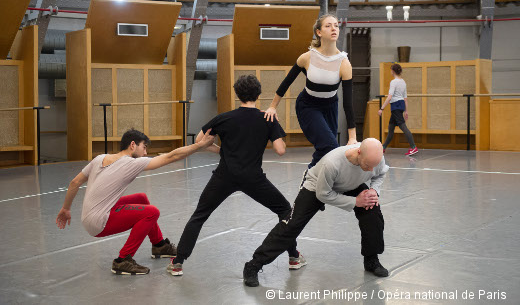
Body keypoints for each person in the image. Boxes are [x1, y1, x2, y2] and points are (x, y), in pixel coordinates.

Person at [167, 75, 305, 276]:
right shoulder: (267, 118)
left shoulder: (224, 118)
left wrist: (222, 151)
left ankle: (178, 262)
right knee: (285, 211)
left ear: (237, 94)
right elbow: (280, 150)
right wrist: (275, 130)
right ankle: (294, 257)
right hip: (254, 179)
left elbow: (200, 141)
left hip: (224, 176)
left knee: (199, 215)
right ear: (258, 95)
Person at [56, 128, 215, 275]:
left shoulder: (100, 158)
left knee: (141, 199)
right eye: (144, 147)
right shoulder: (131, 163)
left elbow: (74, 183)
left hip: (89, 216)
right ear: (133, 145)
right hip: (99, 222)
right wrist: (200, 145)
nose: (145, 153)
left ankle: (159, 246)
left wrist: (66, 209)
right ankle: (123, 260)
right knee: (152, 212)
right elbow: (171, 156)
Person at [243, 138, 389, 287]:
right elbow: (323, 194)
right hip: (317, 187)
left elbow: (380, 174)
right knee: (292, 224)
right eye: (367, 165)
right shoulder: (332, 163)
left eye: (374, 166)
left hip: (351, 184)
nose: (371, 170)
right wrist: (355, 202)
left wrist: (373, 190)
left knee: (372, 210)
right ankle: (253, 265)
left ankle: (371, 260)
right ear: (359, 152)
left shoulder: (375, 159)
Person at [264, 14, 357, 170]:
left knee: (329, 150)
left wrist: (352, 137)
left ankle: (313, 183)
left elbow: (348, 103)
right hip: (308, 105)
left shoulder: (344, 63)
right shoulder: (307, 58)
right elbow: (285, 83)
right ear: (318, 32)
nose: (334, 28)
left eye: (336, 25)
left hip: (330, 107)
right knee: (330, 145)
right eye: (328, 25)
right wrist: (273, 107)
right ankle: (309, 178)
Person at [378, 63, 418, 156]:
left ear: (393, 71)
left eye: (391, 70)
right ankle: (383, 147)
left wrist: (381, 108)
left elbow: (389, 97)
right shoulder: (403, 82)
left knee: (403, 127)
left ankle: (413, 147)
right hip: (400, 105)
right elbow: (405, 98)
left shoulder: (393, 82)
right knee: (391, 128)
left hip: (395, 106)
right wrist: (406, 111)